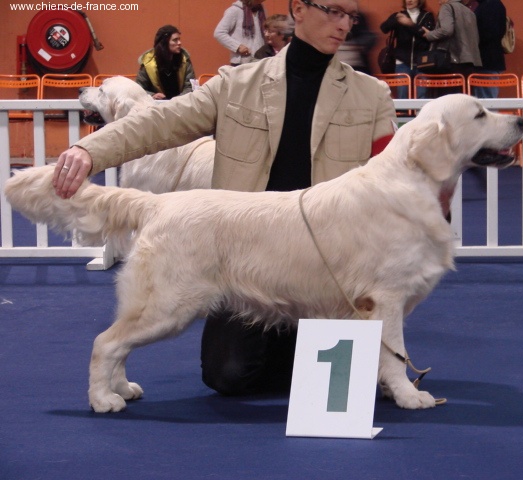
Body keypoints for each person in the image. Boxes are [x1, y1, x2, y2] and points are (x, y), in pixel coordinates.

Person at [52, 0, 397, 397]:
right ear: (299, 9)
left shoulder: (371, 94)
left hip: (328, 270)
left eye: (350, 16)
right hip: (243, 261)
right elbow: (160, 121)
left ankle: (322, 354)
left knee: (334, 386)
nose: (344, 24)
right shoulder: (235, 84)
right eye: (333, 11)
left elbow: (393, 174)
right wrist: (90, 150)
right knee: (229, 376)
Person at [422, 0, 482, 95]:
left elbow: (446, 30)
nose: (438, 2)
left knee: (447, 100)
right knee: (464, 99)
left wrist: (430, 34)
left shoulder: (447, 7)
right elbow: (475, 38)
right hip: (469, 62)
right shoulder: (470, 12)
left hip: (451, 61)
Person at [380, 0, 435, 99]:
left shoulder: (427, 16)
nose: (409, 1)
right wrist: (395, 19)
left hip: (422, 63)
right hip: (402, 62)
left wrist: (410, 24)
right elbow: (383, 28)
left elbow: (428, 35)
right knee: (402, 95)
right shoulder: (399, 15)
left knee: (422, 96)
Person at [135, 25, 196, 100]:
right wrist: (152, 95)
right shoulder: (148, 62)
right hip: (156, 104)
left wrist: (177, 100)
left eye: (179, 39)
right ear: (164, 42)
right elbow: (139, 88)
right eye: (175, 40)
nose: (179, 43)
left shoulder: (185, 60)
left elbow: (190, 87)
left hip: (180, 103)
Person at [214, 0, 267, 66]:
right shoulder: (234, 10)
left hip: (261, 60)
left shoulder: (261, 10)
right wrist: (238, 47)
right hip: (242, 62)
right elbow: (219, 33)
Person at [472, 0, 507, 99]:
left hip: (487, 60)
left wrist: (473, 40)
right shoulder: (494, 4)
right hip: (491, 59)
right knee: (486, 97)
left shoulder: (489, 6)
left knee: (486, 99)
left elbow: (489, 33)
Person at [336, 9, 376, 74]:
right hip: (334, 65)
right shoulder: (328, 15)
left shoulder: (358, 15)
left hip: (356, 65)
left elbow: (369, 37)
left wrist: (354, 44)